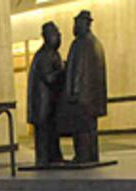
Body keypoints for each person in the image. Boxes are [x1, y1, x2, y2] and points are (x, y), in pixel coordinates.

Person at [64, 10, 108, 163]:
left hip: (81, 97)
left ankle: (82, 156)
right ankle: (92, 155)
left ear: (85, 24)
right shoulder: (96, 44)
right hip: (94, 98)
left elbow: (77, 71)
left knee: (80, 128)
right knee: (91, 129)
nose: (74, 27)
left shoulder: (80, 43)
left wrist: (73, 93)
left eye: (76, 23)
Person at [27, 22, 65, 168]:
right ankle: (44, 160)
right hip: (42, 105)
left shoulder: (52, 54)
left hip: (50, 104)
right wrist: (64, 71)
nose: (59, 36)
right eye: (56, 34)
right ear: (47, 37)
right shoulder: (44, 55)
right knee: (43, 134)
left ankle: (54, 157)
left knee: (51, 133)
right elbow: (49, 78)